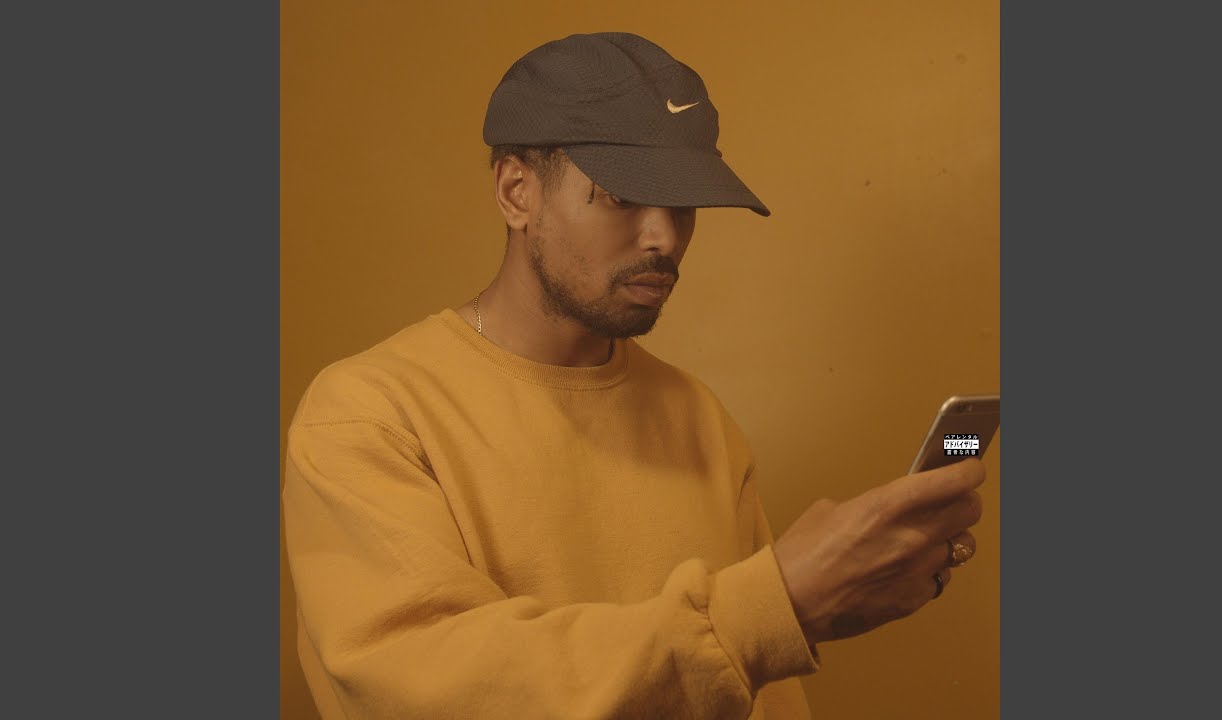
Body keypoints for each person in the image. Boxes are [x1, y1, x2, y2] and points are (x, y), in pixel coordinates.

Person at [282, 31, 984, 720]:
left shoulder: (697, 417)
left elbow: (760, 693)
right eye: (623, 197)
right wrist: (778, 607)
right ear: (517, 192)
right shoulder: (371, 416)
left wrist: (792, 611)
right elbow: (433, 691)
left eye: (683, 203)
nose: (664, 237)